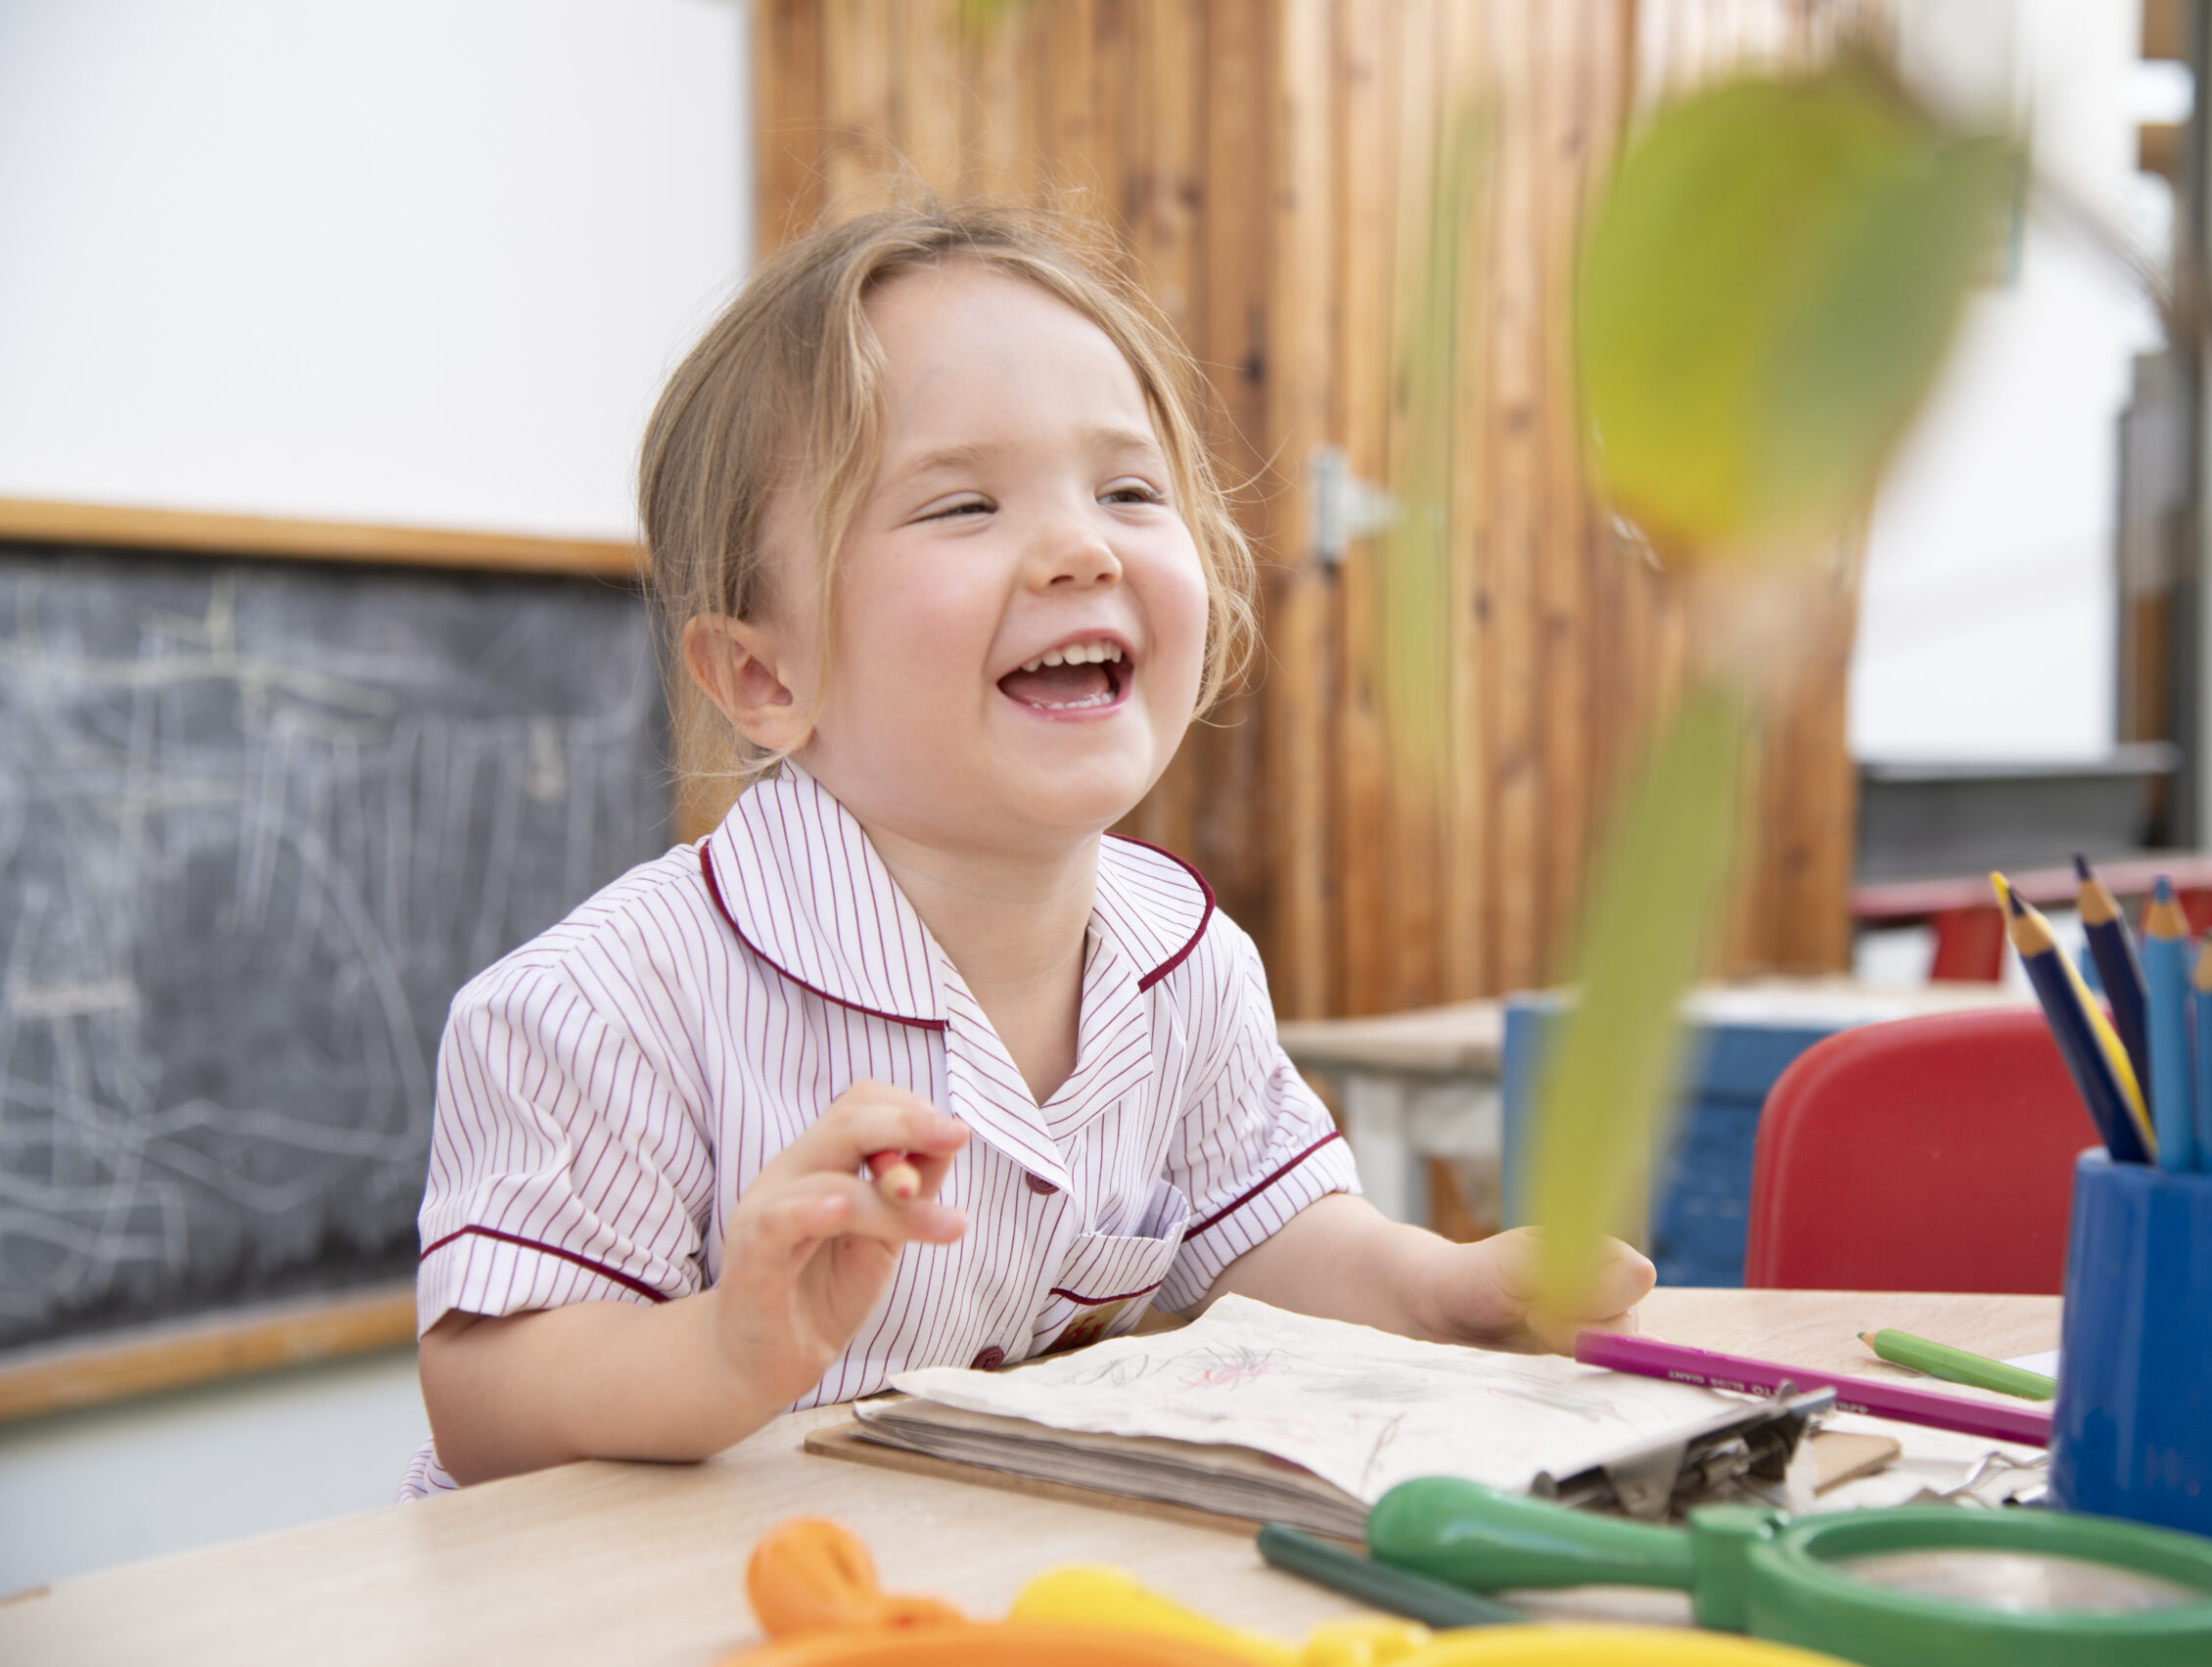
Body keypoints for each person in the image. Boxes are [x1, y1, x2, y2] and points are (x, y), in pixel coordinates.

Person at [405, 201, 1653, 1496]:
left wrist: (1440, 1289)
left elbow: (1269, 1237)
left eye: (1128, 489)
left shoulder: (1186, 962)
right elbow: (484, 1398)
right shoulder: (606, 1005)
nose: (1079, 547)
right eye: (962, 505)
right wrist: (721, 1354)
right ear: (761, 676)